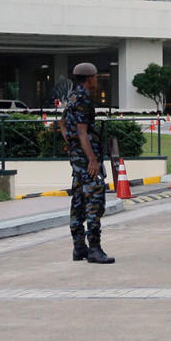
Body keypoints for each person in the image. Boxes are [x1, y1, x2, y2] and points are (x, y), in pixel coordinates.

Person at [63, 62, 114, 264]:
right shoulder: (83, 99)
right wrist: (92, 159)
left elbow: (62, 123)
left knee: (78, 201)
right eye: (96, 77)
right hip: (86, 160)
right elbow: (83, 132)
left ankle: (78, 247)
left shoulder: (72, 96)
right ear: (90, 78)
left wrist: (72, 145)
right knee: (94, 202)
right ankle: (94, 249)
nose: (97, 81)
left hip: (77, 159)